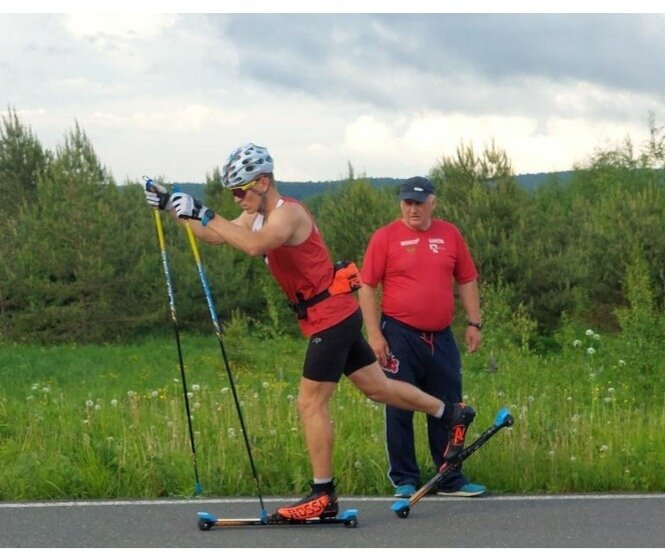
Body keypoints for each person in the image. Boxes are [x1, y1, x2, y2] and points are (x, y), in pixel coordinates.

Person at [146, 144, 476, 520]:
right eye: (233, 193)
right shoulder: (256, 215)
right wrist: (172, 208)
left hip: (330, 317)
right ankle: (450, 412)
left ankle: (323, 495)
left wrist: (203, 211)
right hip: (332, 315)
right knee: (378, 388)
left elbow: (253, 247)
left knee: (310, 403)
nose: (238, 199)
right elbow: (217, 235)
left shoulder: (288, 214)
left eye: (242, 190)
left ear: (264, 181)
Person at [358, 176, 487, 499]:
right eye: (407, 202)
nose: (413, 209)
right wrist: (374, 335)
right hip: (399, 333)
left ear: (433, 203)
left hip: (441, 336)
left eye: (419, 202)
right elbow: (367, 285)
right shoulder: (385, 237)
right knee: (399, 403)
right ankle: (404, 478)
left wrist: (474, 322)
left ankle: (449, 476)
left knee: (448, 405)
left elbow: (467, 278)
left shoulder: (449, 234)